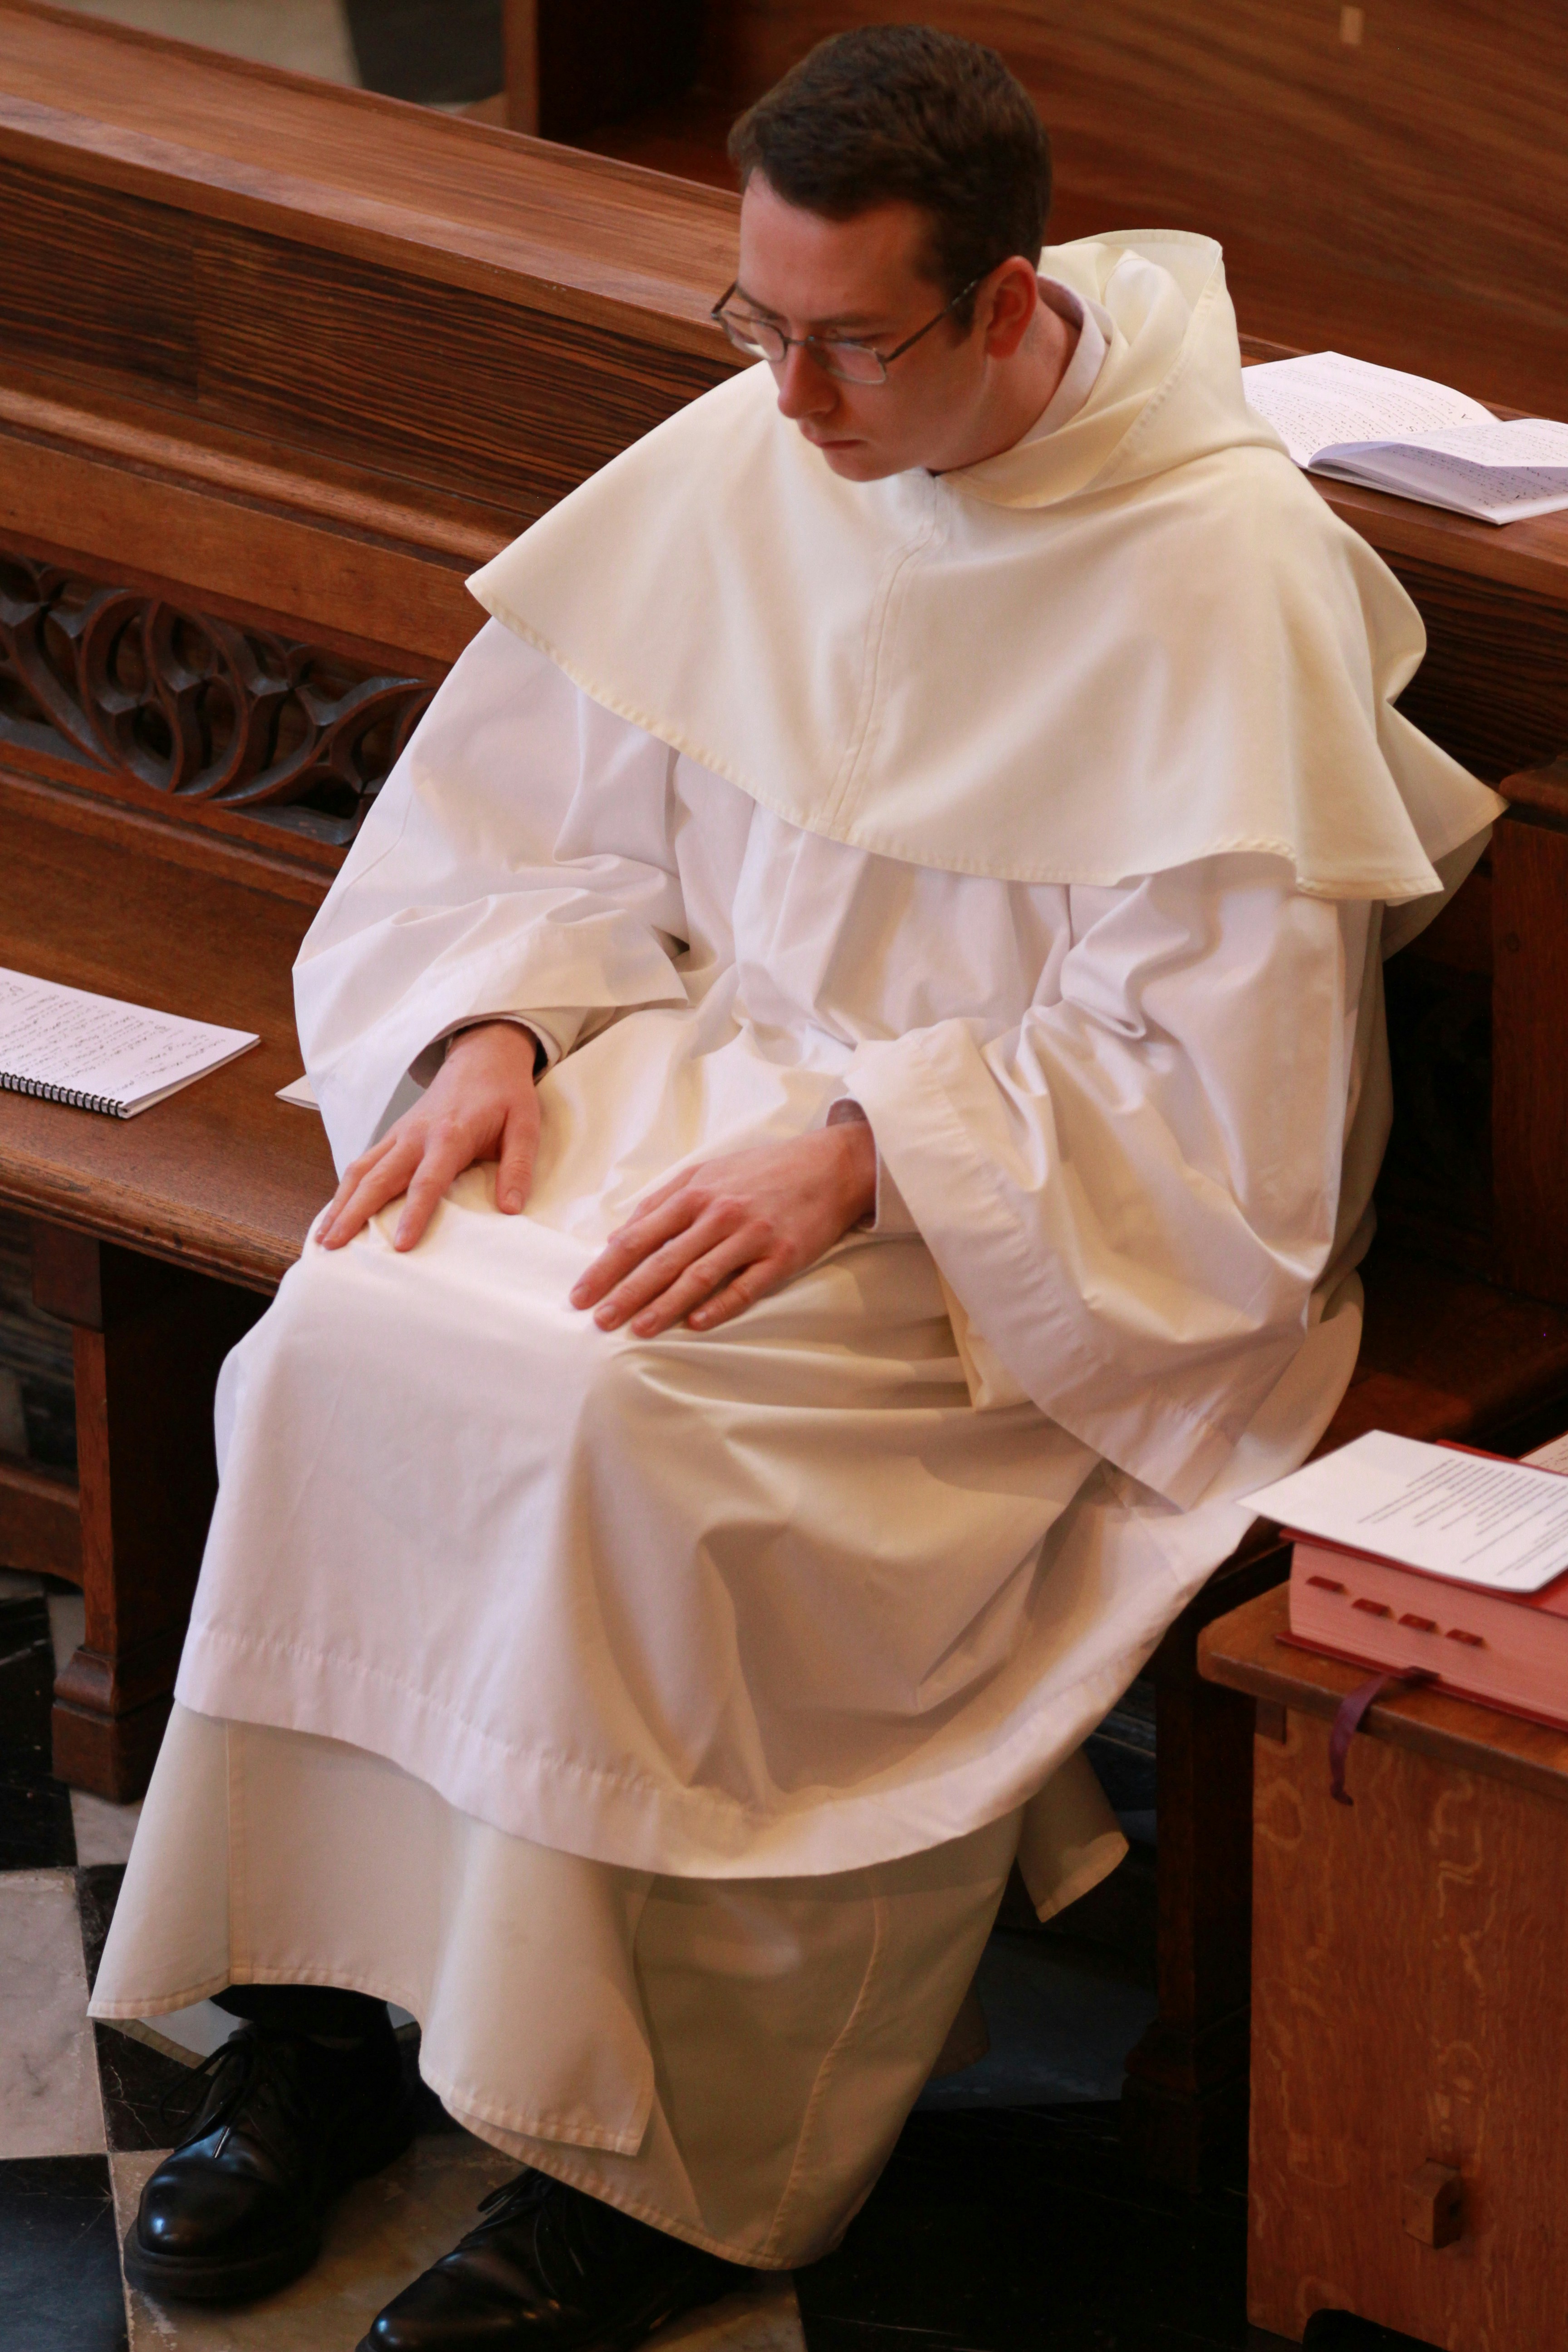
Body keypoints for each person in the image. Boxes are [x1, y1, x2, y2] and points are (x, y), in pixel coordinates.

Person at [90, 23, 1500, 2352]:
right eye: (758, 324)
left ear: (1012, 299)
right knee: (350, 1322)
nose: (796, 398)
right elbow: (526, 830)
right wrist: (492, 1034)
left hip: (1004, 1213)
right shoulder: (765, 441)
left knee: (619, 1420)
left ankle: (644, 2167)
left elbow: (1217, 1105)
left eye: (850, 342)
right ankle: (335, 2030)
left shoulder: (1221, 565)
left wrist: (867, 1157)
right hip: (684, 1082)